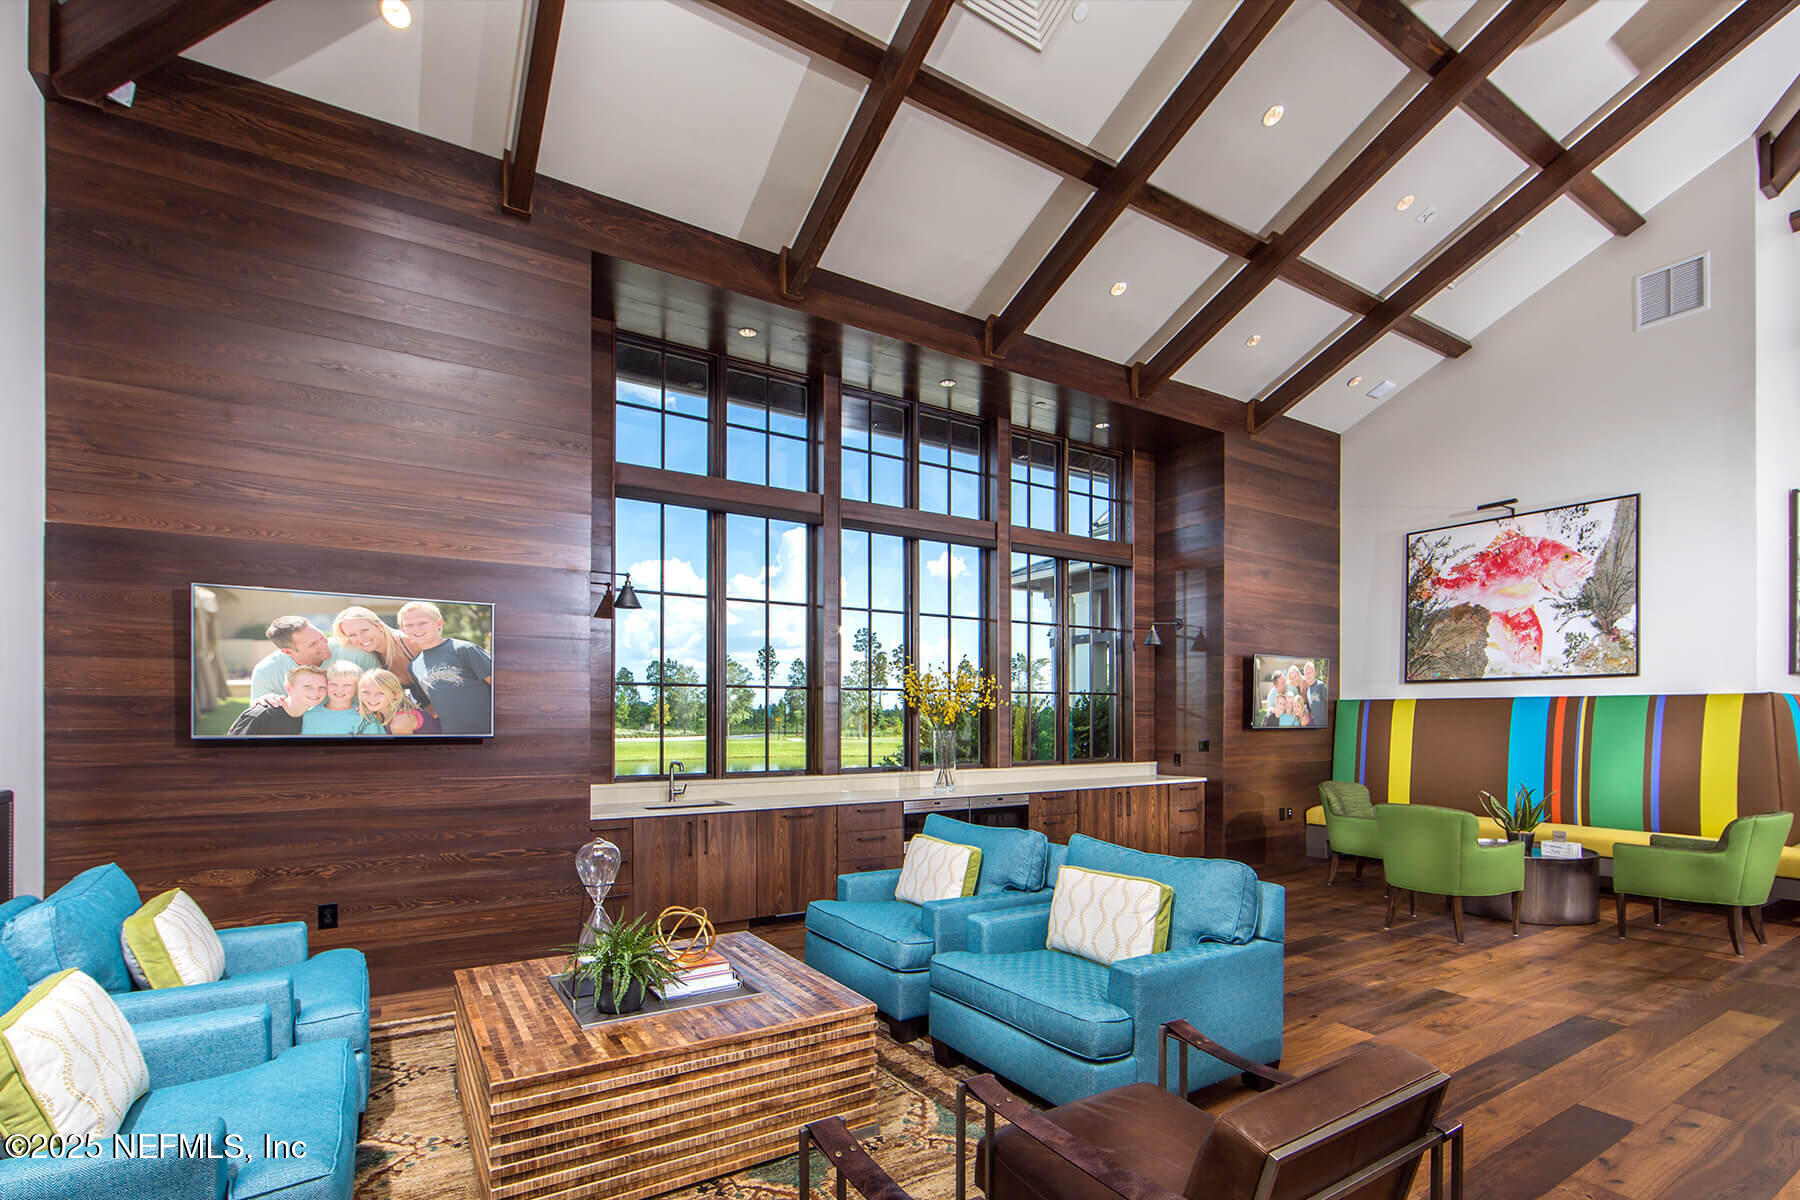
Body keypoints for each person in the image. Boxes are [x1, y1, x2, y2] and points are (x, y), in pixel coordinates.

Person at [397, 600, 493, 735]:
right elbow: (433, 707)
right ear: (403, 630)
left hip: (487, 732)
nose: (416, 629)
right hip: (451, 735)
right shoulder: (413, 666)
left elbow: (501, 687)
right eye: (409, 625)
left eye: (423, 623)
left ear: (439, 623)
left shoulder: (464, 650)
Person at [248, 616, 379, 702]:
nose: (323, 644)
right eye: (313, 644)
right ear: (288, 652)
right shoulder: (265, 672)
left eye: (321, 637)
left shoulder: (354, 652)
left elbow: (384, 690)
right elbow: (259, 715)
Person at [332, 606, 427, 706]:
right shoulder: (373, 657)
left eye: (364, 630)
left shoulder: (413, 643)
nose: (360, 638)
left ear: (379, 626)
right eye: (352, 635)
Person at [228, 665, 328, 736]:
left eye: (322, 687)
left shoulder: (309, 719)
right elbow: (230, 753)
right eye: (307, 686)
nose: (316, 692)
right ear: (288, 688)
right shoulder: (260, 715)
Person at [355, 668, 432, 736]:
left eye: (381, 693)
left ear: (395, 694)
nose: (372, 699)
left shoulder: (399, 722)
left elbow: (405, 751)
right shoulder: (382, 710)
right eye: (365, 692)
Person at [302, 660, 365, 736]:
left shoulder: (364, 717)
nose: (339, 690)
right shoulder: (310, 715)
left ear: (357, 688)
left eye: (347, 685)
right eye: (333, 684)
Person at [1301, 659, 1330, 728]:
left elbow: (1329, 703)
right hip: (1316, 724)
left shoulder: (1320, 685)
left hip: (1325, 723)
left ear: (1314, 672)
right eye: (1305, 673)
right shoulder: (1308, 691)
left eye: (1309, 673)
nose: (1307, 675)